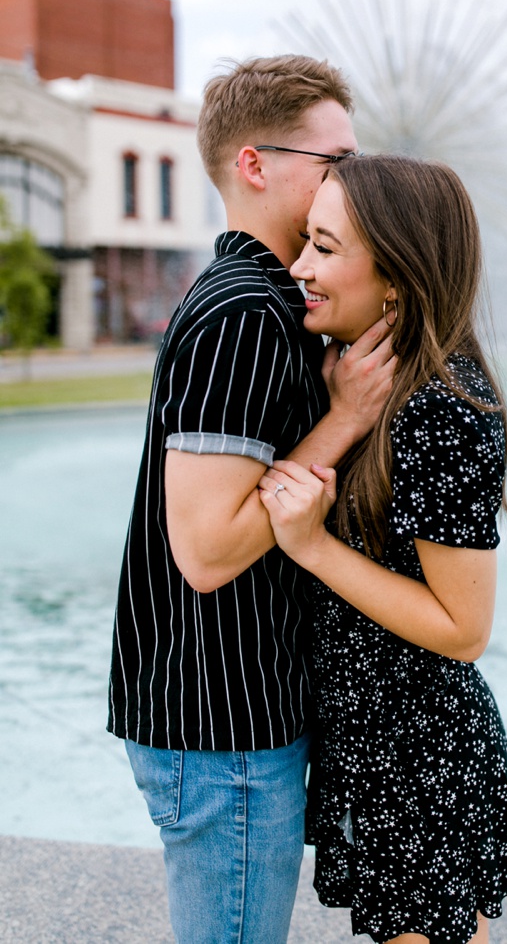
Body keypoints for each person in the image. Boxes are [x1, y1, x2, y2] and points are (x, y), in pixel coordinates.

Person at [108, 55, 395, 944]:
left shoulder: (265, 300)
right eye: (333, 158)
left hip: (221, 712)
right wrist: (344, 419)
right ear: (255, 165)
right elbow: (206, 548)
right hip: (219, 718)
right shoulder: (244, 314)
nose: (351, 176)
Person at [256, 154, 507, 944]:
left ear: (398, 281)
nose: (301, 267)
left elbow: (463, 628)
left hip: (416, 752)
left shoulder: (443, 411)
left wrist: (310, 546)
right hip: (379, 741)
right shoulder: (369, 387)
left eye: (327, 247)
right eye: (306, 240)